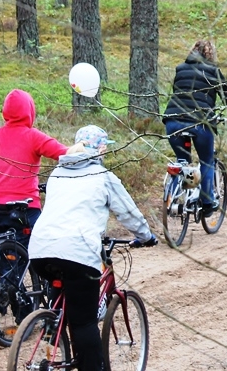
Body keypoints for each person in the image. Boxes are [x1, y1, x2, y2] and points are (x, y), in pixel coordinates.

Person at [29, 125, 157, 371]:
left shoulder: (57, 174)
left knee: (65, 305)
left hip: (40, 250)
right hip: (77, 252)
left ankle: (53, 330)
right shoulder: (102, 176)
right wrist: (146, 235)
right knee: (84, 322)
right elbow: (128, 212)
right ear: (100, 149)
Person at [163, 39, 227, 218]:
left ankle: (172, 199)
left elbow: (177, 92)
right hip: (200, 122)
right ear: (211, 54)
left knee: (182, 160)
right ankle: (207, 202)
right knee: (206, 161)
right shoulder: (213, 72)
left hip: (173, 120)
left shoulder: (180, 69)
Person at [0, 89, 68, 240]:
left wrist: (5, 178)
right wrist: (86, 148)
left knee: (3, 250)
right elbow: (64, 153)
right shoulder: (33, 136)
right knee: (37, 248)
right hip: (26, 207)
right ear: (30, 111)